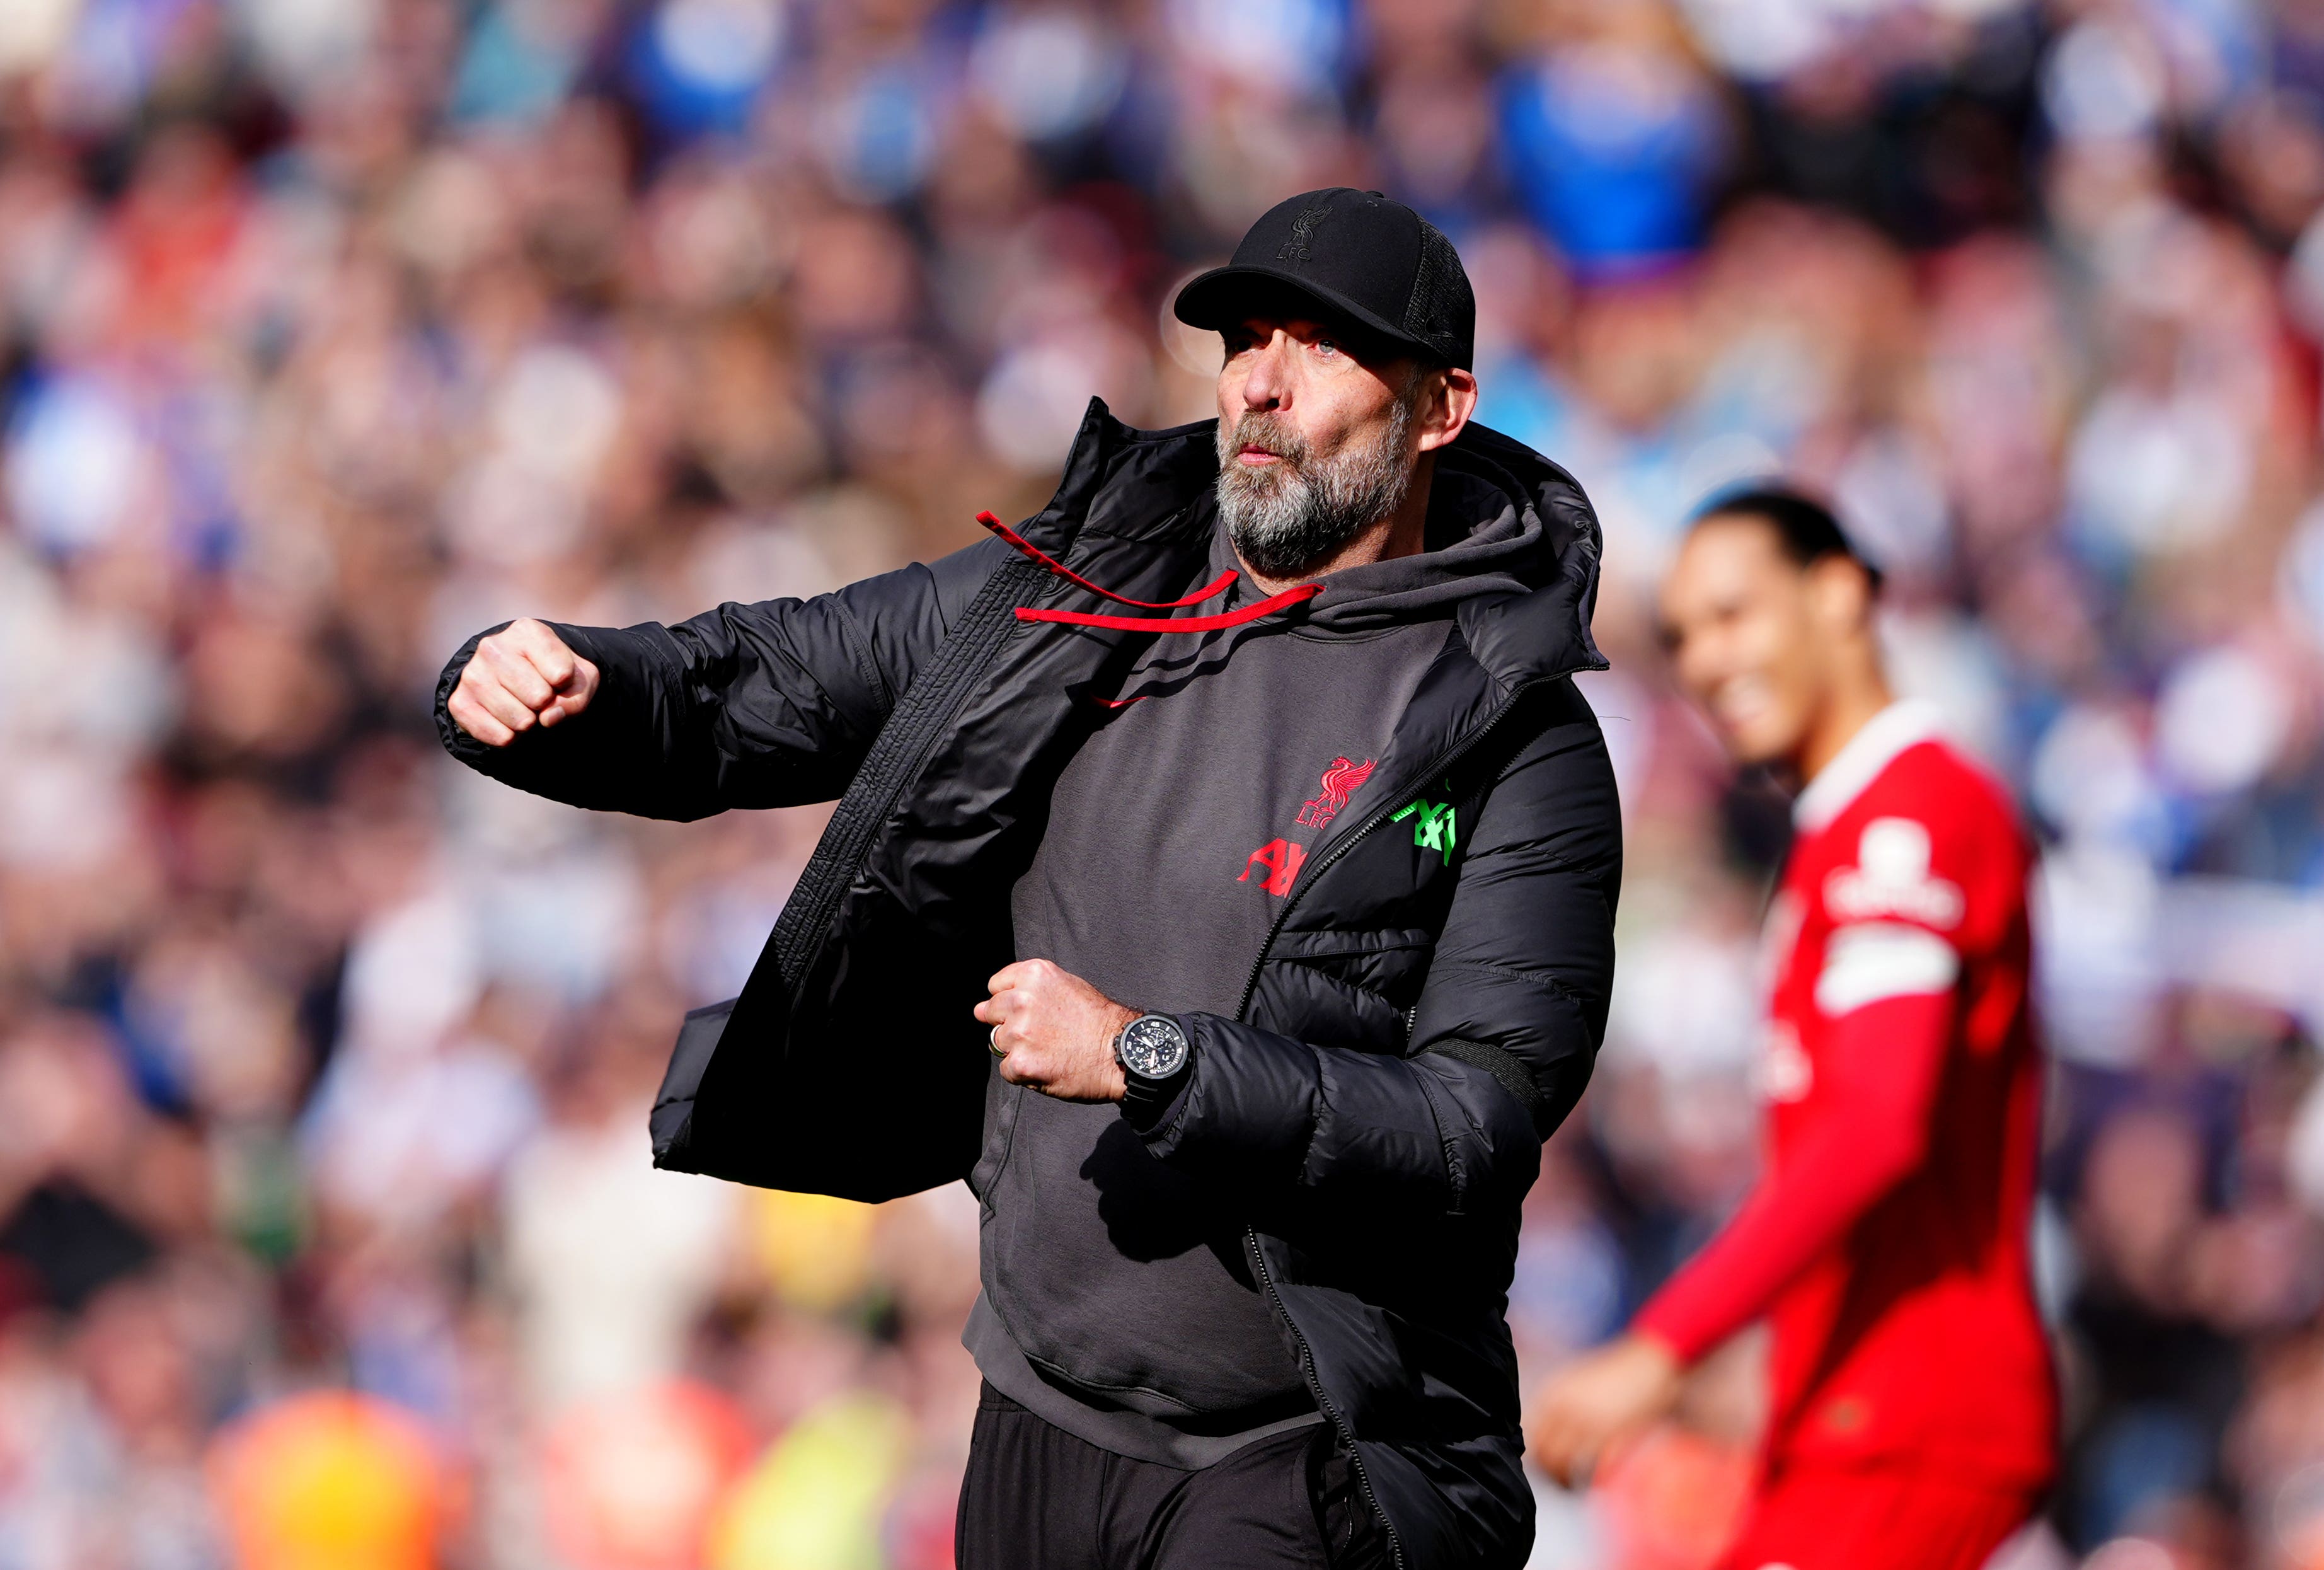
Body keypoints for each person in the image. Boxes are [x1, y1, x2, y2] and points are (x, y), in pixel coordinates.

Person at [433, 188, 1622, 1570]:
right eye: (1243, 339)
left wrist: (1150, 1057)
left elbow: (1469, 1129)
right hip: (1037, 1418)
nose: (1262, 381)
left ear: (1438, 406)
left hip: (1306, 1450)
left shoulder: (1513, 732)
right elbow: (773, 677)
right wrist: (555, 683)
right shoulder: (1083, 588)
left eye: (1321, 345)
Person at [1528, 489, 2056, 1567]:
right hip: (1842, 1423)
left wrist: (1661, 1348)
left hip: (1909, 1424)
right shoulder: (1842, 835)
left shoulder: (1908, 816)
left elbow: (1877, 1126)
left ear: (1842, 593)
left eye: (1735, 615)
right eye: (1682, 638)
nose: (1709, 662)